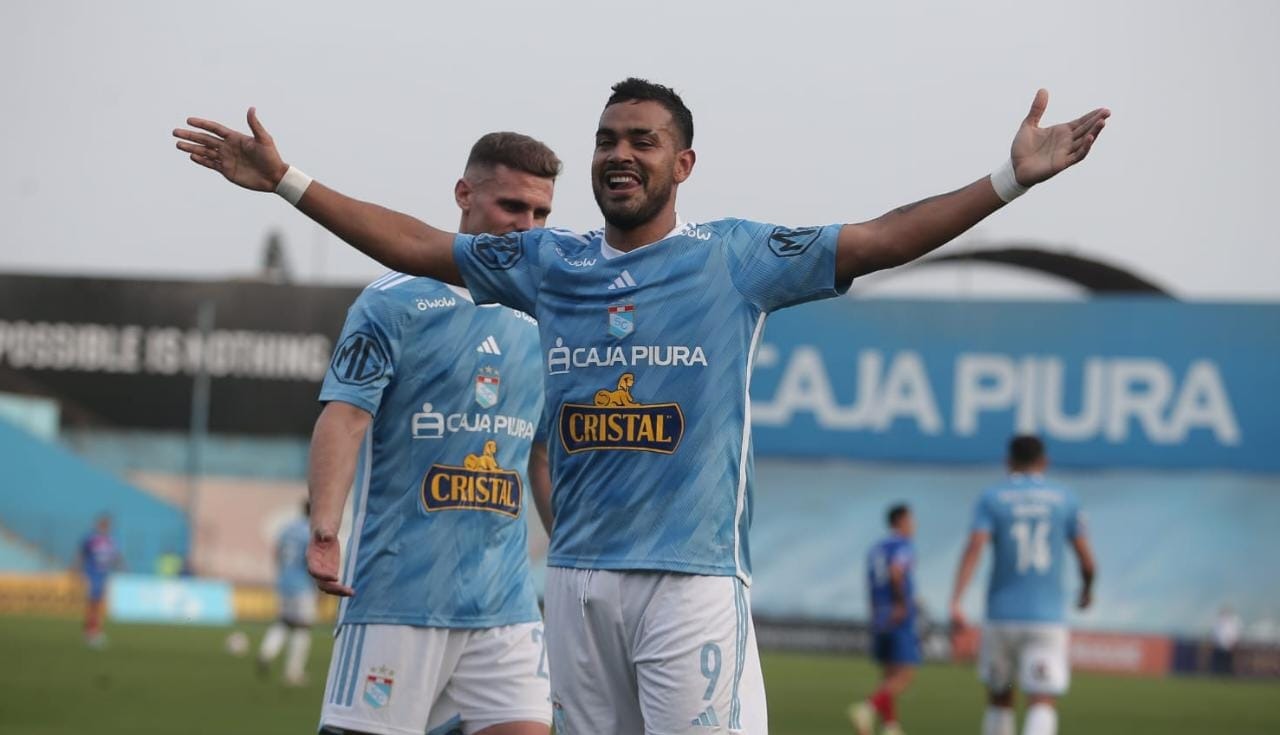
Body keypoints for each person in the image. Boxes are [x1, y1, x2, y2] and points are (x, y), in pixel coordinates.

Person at [174, 78, 1108, 734]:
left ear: (684, 162)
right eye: (608, 141)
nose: (620, 156)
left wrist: (1010, 178)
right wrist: (289, 182)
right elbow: (419, 244)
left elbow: (879, 239)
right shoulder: (551, 264)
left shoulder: (734, 257)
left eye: (642, 141)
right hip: (577, 583)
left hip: (690, 580)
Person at [306, 132, 557, 734]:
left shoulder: (546, 314)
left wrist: (574, 547)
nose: (528, 225)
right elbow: (346, 415)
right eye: (512, 207)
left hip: (506, 606)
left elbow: (541, 452)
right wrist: (324, 526)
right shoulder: (390, 304)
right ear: (464, 195)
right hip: (398, 594)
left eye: (541, 211)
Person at [948, 435, 1097, 735]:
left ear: (1008, 462)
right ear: (1045, 462)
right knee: (1041, 698)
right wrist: (1086, 590)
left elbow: (975, 545)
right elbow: (1087, 561)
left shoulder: (993, 497)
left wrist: (957, 600)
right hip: (1047, 618)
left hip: (1001, 614)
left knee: (1000, 697)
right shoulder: (1065, 498)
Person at [851, 504, 919, 735]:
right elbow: (896, 571)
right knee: (906, 673)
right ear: (900, 521)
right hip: (897, 613)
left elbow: (870, 581)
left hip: (879, 612)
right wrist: (901, 603)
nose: (914, 525)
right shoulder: (903, 545)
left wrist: (875, 611)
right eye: (911, 520)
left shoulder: (875, 548)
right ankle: (867, 707)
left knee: (888, 675)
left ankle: (891, 727)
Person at [258, 500, 317, 686]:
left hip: (284, 582)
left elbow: (276, 553)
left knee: (284, 621)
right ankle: (293, 673)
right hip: (302, 585)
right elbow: (312, 560)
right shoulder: (312, 532)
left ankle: (266, 652)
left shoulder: (288, 529)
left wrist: (283, 573)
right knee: (302, 627)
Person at [79, 513, 121, 648]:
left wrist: (121, 567)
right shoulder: (91, 539)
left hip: (103, 575)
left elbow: (115, 557)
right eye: (103, 524)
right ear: (98, 525)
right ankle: (91, 631)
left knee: (98, 604)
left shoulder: (111, 541)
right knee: (93, 604)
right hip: (92, 574)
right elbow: (82, 554)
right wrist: (77, 569)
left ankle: (93, 630)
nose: (106, 527)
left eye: (107, 525)